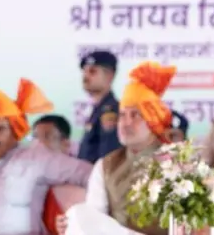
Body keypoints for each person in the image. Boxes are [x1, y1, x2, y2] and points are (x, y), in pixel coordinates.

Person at [0, 78, 92, 235]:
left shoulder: (37, 159)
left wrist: (86, 215)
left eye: (0, 129)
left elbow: (90, 174)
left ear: (15, 134)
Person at [65, 62, 177, 235]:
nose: (126, 123)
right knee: (77, 214)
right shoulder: (106, 164)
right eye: (122, 115)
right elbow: (95, 215)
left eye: (135, 115)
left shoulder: (178, 162)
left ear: (153, 121)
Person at [77, 51, 123, 163]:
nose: (86, 77)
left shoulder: (110, 111)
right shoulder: (98, 109)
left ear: (109, 76)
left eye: (92, 71)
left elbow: (108, 156)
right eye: (84, 71)